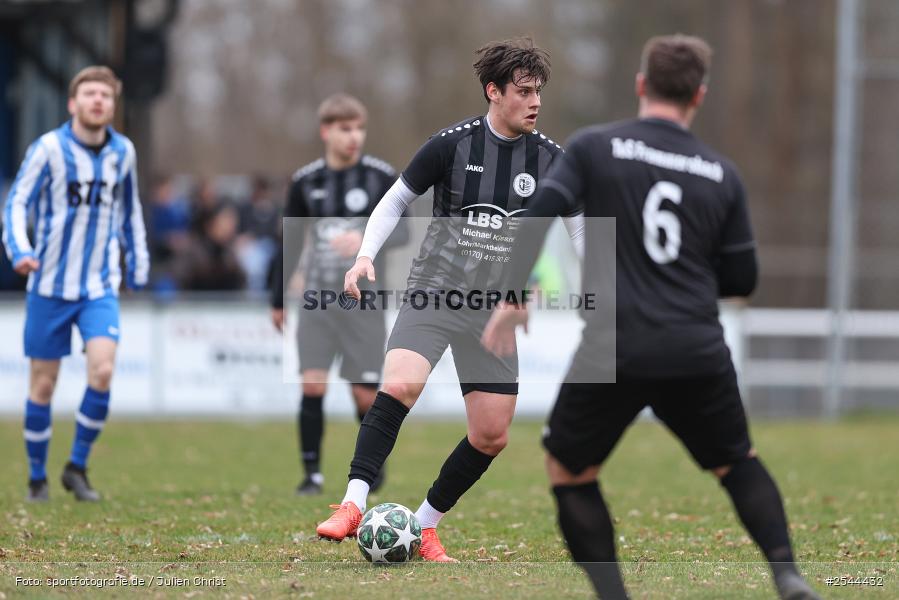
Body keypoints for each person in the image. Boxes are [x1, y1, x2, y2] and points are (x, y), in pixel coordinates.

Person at [481, 34, 820, 600]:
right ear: (699, 95)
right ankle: (787, 574)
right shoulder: (720, 173)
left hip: (617, 344)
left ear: (642, 85)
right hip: (696, 346)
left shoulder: (595, 147)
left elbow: (538, 213)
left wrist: (513, 297)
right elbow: (742, 280)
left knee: (569, 469)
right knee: (737, 462)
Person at [317, 38, 583, 562]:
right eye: (524, 91)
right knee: (399, 385)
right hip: (435, 292)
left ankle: (423, 526)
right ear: (493, 91)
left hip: (494, 310)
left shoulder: (553, 160)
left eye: (538, 92)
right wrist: (365, 255)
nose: (535, 102)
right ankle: (352, 503)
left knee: (491, 434)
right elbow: (395, 200)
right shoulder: (451, 145)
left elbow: (580, 229)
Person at [2, 66, 150, 502]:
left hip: (98, 286)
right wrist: (19, 248)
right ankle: (36, 478)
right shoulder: (48, 149)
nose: (98, 100)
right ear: (73, 103)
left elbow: (129, 211)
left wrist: (137, 263)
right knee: (43, 385)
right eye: (89, 94)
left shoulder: (123, 151)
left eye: (105, 94)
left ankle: (76, 467)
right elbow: (17, 202)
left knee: (103, 370)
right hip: (49, 284)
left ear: (113, 105)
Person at [270, 93, 407, 496]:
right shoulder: (305, 181)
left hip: (364, 303)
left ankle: (371, 465)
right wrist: (276, 298)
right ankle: (311, 475)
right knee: (312, 386)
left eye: (359, 129)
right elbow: (290, 241)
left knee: (364, 394)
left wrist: (364, 240)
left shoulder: (381, 176)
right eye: (346, 129)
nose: (354, 137)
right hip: (317, 301)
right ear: (326, 132)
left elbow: (404, 230)